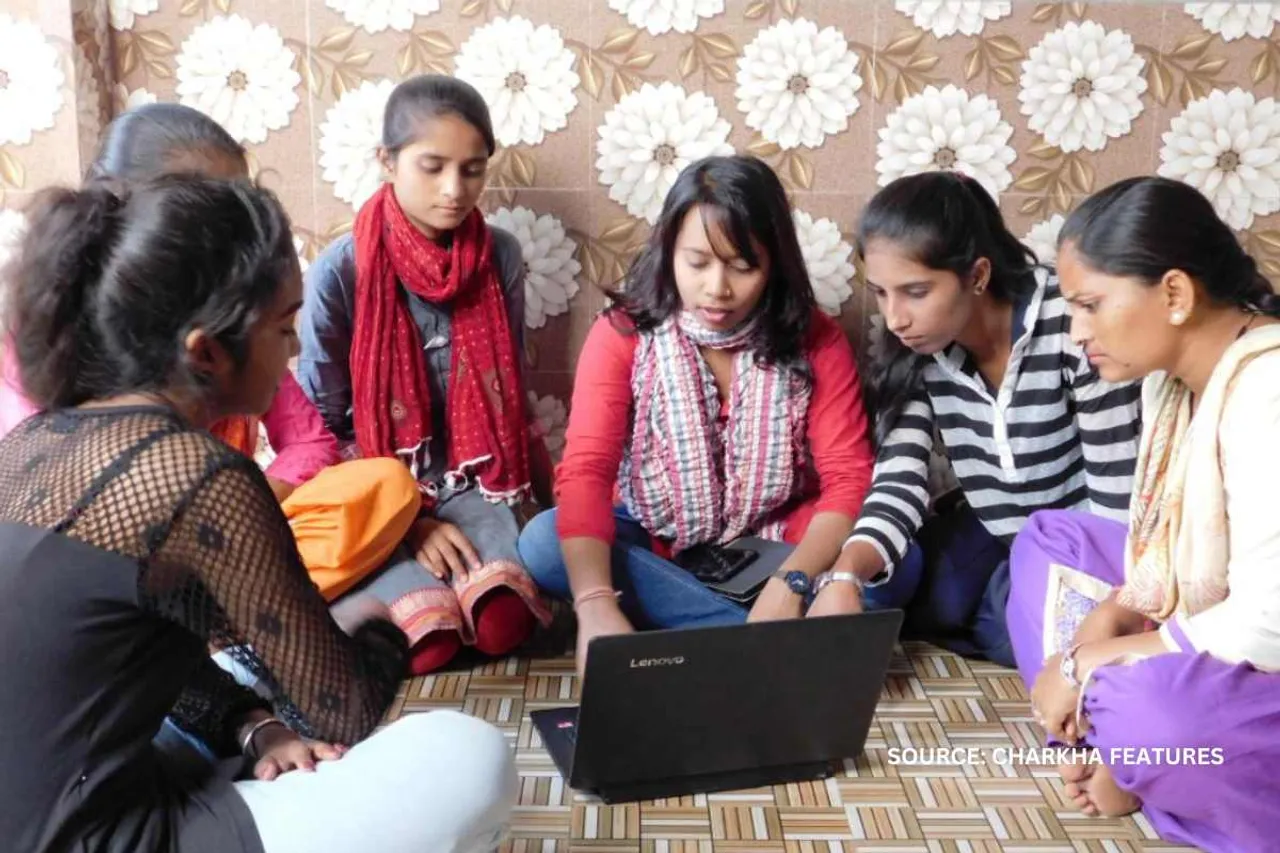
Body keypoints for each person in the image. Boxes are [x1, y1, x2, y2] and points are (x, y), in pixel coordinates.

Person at [0, 175, 516, 853]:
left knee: (240, 685)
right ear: (204, 350)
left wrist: (252, 725)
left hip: (45, 800)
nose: (295, 349)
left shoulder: (34, 441)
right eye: (281, 327)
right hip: (90, 835)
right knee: (469, 752)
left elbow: (127, 651)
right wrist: (382, 628)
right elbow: (345, 706)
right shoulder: (197, 476)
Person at [0, 102, 419, 603]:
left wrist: (240, 511)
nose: (240, 230)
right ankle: (251, 619)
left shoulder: (234, 322)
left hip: (208, 536)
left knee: (384, 484)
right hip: (102, 572)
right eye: (216, 207)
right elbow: (61, 512)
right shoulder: (50, 339)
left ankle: (239, 617)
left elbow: (310, 443)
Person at [1006, 176, 1280, 852]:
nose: (1076, 332)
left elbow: (1270, 619)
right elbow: (1159, 552)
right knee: (1050, 541)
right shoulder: (1168, 382)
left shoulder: (1268, 391)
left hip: (1265, 650)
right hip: (1203, 616)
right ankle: (1100, 741)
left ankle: (1119, 747)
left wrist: (1089, 660)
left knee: (1153, 716)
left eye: (1091, 305)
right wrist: (1109, 618)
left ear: (1176, 294)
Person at [517, 154, 876, 667]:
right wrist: (594, 604)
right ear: (669, 252)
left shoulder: (815, 338)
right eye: (698, 262)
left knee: (891, 561)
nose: (718, 289)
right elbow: (587, 473)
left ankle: (716, 622)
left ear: (774, 262)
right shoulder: (623, 334)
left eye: (742, 265)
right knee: (543, 542)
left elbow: (847, 478)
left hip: (772, 541)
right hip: (656, 541)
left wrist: (792, 579)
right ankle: (767, 642)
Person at [829, 171, 1142, 666]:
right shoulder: (921, 350)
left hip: (1077, 545)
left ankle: (1006, 609)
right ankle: (994, 601)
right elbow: (899, 477)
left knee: (1029, 637)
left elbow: (1116, 505)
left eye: (914, 292)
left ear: (976, 276)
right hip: (995, 529)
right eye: (882, 293)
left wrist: (1108, 608)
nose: (894, 318)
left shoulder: (1073, 325)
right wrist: (845, 573)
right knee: (892, 587)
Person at [299, 75, 554, 675]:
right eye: (432, 166)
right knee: (428, 645)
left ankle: (447, 589)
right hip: (377, 490)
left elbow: (506, 394)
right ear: (386, 161)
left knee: (501, 625)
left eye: (472, 169)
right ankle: (387, 596)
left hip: (474, 481)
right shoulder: (342, 269)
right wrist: (408, 522)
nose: (453, 189)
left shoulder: (501, 256)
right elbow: (323, 424)